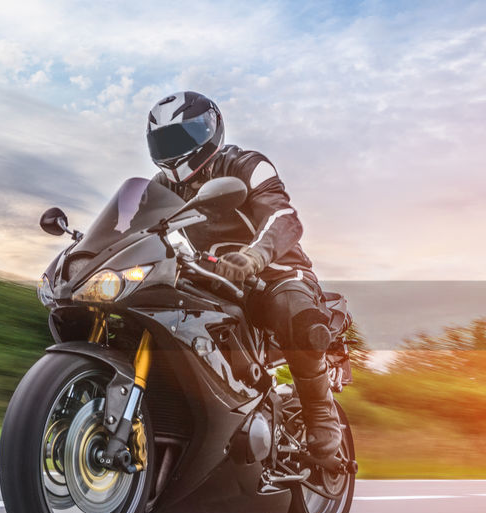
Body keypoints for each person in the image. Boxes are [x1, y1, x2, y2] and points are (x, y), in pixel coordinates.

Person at [145, 90, 342, 470]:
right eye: (164, 141)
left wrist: (254, 256)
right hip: (205, 274)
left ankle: (321, 412)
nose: (173, 150)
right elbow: (137, 226)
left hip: (275, 272)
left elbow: (285, 218)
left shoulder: (247, 164)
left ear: (209, 132)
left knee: (297, 317)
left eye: (181, 138)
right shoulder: (162, 186)